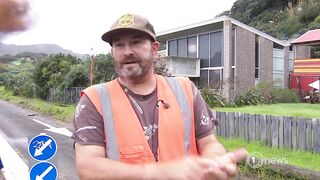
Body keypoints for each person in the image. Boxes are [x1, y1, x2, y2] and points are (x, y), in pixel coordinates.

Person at [72, 13, 247, 180]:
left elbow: (209, 143)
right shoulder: (94, 99)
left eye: (136, 42)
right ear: (112, 52)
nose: (127, 52)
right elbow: (88, 168)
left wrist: (214, 161)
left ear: (154, 49)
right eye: (119, 45)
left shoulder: (185, 89)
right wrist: (159, 173)